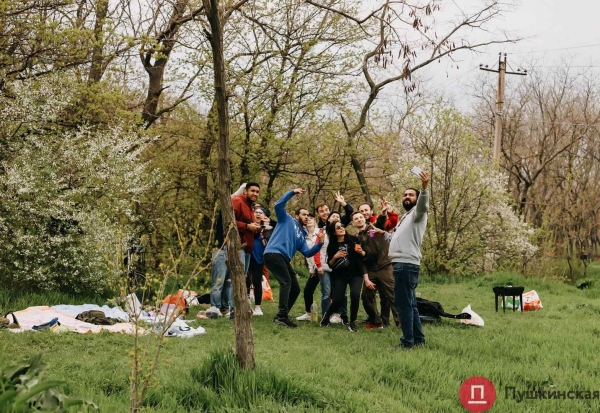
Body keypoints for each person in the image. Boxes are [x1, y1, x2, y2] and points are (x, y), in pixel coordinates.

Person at [264, 188, 325, 328]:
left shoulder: (302, 236)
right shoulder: (286, 219)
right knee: (286, 282)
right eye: (304, 214)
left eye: (308, 215)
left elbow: (308, 252)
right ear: (297, 216)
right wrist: (292, 192)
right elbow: (278, 205)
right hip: (273, 253)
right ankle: (282, 316)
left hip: (283, 258)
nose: (307, 217)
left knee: (296, 288)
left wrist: (320, 243)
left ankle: (283, 315)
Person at [206, 182, 261, 319]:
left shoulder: (251, 207)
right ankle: (222, 309)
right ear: (245, 191)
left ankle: (230, 309)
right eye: (252, 191)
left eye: (257, 191)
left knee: (235, 281)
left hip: (246, 248)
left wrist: (255, 228)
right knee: (227, 280)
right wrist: (247, 226)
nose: (255, 194)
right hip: (234, 247)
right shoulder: (237, 201)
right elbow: (229, 221)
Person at [389, 171, 430, 348]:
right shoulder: (406, 217)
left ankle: (407, 342)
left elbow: (423, 206)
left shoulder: (417, 214)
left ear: (417, 198)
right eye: (405, 195)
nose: (407, 197)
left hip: (405, 264)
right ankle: (418, 340)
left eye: (411, 195)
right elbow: (395, 238)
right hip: (403, 264)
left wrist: (424, 188)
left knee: (403, 305)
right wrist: (379, 232)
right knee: (410, 305)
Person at [351, 211, 399, 329]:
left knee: (391, 295)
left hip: (385, 266)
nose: (359, 219)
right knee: (366, 295)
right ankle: (376, 321)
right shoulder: (356, 238)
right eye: (356, 218)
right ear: (353, 223)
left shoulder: (372, 228)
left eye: (361, 217)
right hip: (371, 270)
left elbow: (380, 222)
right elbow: (361, 260)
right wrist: (366, 277)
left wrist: (383, 213)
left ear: (364, 219)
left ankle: (400, 321)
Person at [320, 222, 368, 332]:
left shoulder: (354, 239)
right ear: (334, 232)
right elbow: (330, 264)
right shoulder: (332, 244)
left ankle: (352, 322)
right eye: (338, 227)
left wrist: (361, 252)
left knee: (355, 295)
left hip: (356, 273)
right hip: (339, 275)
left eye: (342, 225)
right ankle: (327, 316)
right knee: (337, 299)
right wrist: (335, 256)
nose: (341, 228)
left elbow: (364, 255)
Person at [296, 215, 332, 321]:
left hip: (324, 266)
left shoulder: (321, 232)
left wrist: (320, 265)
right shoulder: (303, 236)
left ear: (315, 220)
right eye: (306, 219)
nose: (309, 220)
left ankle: (331, 314)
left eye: (311, 218)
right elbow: (308, 255)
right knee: (308, 290)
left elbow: (323, 250)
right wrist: (311, 269)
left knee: (328, 291)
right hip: (315, 268)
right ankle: (309, 313)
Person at [247, 207, 273, 316]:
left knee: (257, 282)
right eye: (256, 212)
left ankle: (258, 307)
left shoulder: (268, 228)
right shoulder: (249, 225)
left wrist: (266, 227)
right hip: (248, 257)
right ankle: (246, 305)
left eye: (260, 213)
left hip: (259, 258)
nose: (258, 214)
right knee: (246, 281)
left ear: (264, 215)